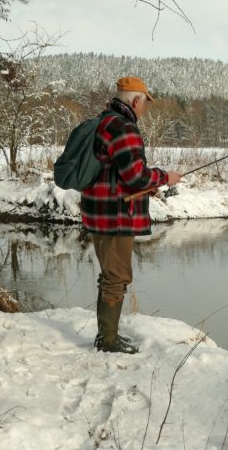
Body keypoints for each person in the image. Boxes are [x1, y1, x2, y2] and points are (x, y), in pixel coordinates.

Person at [81, 76, 181, 354]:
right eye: (144, 103)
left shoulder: (104, 120)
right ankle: (108, 341)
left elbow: (113, 171)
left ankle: (107, 336)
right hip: (115, 215)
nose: (144, 109)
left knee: (110, 275)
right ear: (136, 100)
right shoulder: (123, 127)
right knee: (116, 277)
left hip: (98, 210)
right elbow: (136, 175)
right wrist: (165, 177)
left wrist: (146, 187)